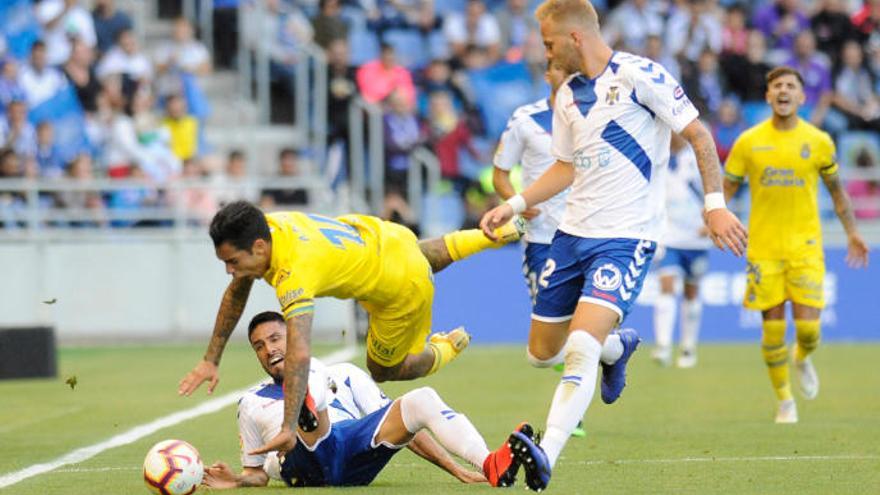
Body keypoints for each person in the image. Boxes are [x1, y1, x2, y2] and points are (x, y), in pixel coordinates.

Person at [479, 0, 748, 487]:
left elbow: (700, 136)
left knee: (580, 345)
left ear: (574, 38)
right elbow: (565, 167)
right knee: (541, 353)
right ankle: (617, 349)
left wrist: (714, 205)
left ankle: (548, 453)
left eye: (547, 43)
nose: (544, 52)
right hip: (570, 235)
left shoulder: (642, 76)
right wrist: (515, 204)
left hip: (626, 238)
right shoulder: (567, 97)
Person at [179, 201, 525, 456]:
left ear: (258, 247)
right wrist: (211, 359)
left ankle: (442, 349)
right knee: (422, 253)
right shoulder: (270, 226)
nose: (229, 271)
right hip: (386, 237)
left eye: (232, 262)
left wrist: (288, 428)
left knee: (384, 369)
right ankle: (501, 233)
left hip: (401, 291)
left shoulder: (293, 271)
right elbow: (238, 289)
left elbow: (298, 353)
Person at [202, 311, 548, 489]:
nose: (269, 349)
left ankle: (490, 464)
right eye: (259, 347)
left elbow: (404, 428)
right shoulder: (250, 402)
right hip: (304, 463)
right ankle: (306, 411)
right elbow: (256, 474)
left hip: (352, 451)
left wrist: (456, 468)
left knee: (420, 400)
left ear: (293, 338)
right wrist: (235, 479)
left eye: (275, 339)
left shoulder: (347, 374)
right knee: (304, 427)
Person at [492, 62, 638, 438]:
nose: (567, 75)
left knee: (579, 330)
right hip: (542, 239)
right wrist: (518, 202)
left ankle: (571, 407)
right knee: (550, 342)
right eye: (559, 68)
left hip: (591, 232)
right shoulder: (525, 119)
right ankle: (616, 348)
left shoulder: (598, 112)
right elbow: (500, 173)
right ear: (547, 75)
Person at [723, 66, 870, 424]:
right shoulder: (748, 141)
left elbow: (837, 194)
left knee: (809, 331)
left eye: (791, 86)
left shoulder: (819, 141)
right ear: (767, 96)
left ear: (802, 98)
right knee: (772, 329)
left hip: (805, 246)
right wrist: (716, 217)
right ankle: (785, 400)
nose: (784, 90)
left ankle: (802, 357)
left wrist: (852, 232)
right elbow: (726, 190)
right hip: (764, 249)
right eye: (777, 86)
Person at [652, 133, 713, 368]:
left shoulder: (698, 159)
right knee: (666, 286)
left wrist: (710, 220)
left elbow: (714, 190)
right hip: (669, 236)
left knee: (691, 292)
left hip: (696, 237)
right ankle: (663, 346)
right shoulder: (658, 156)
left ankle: (688, 347)